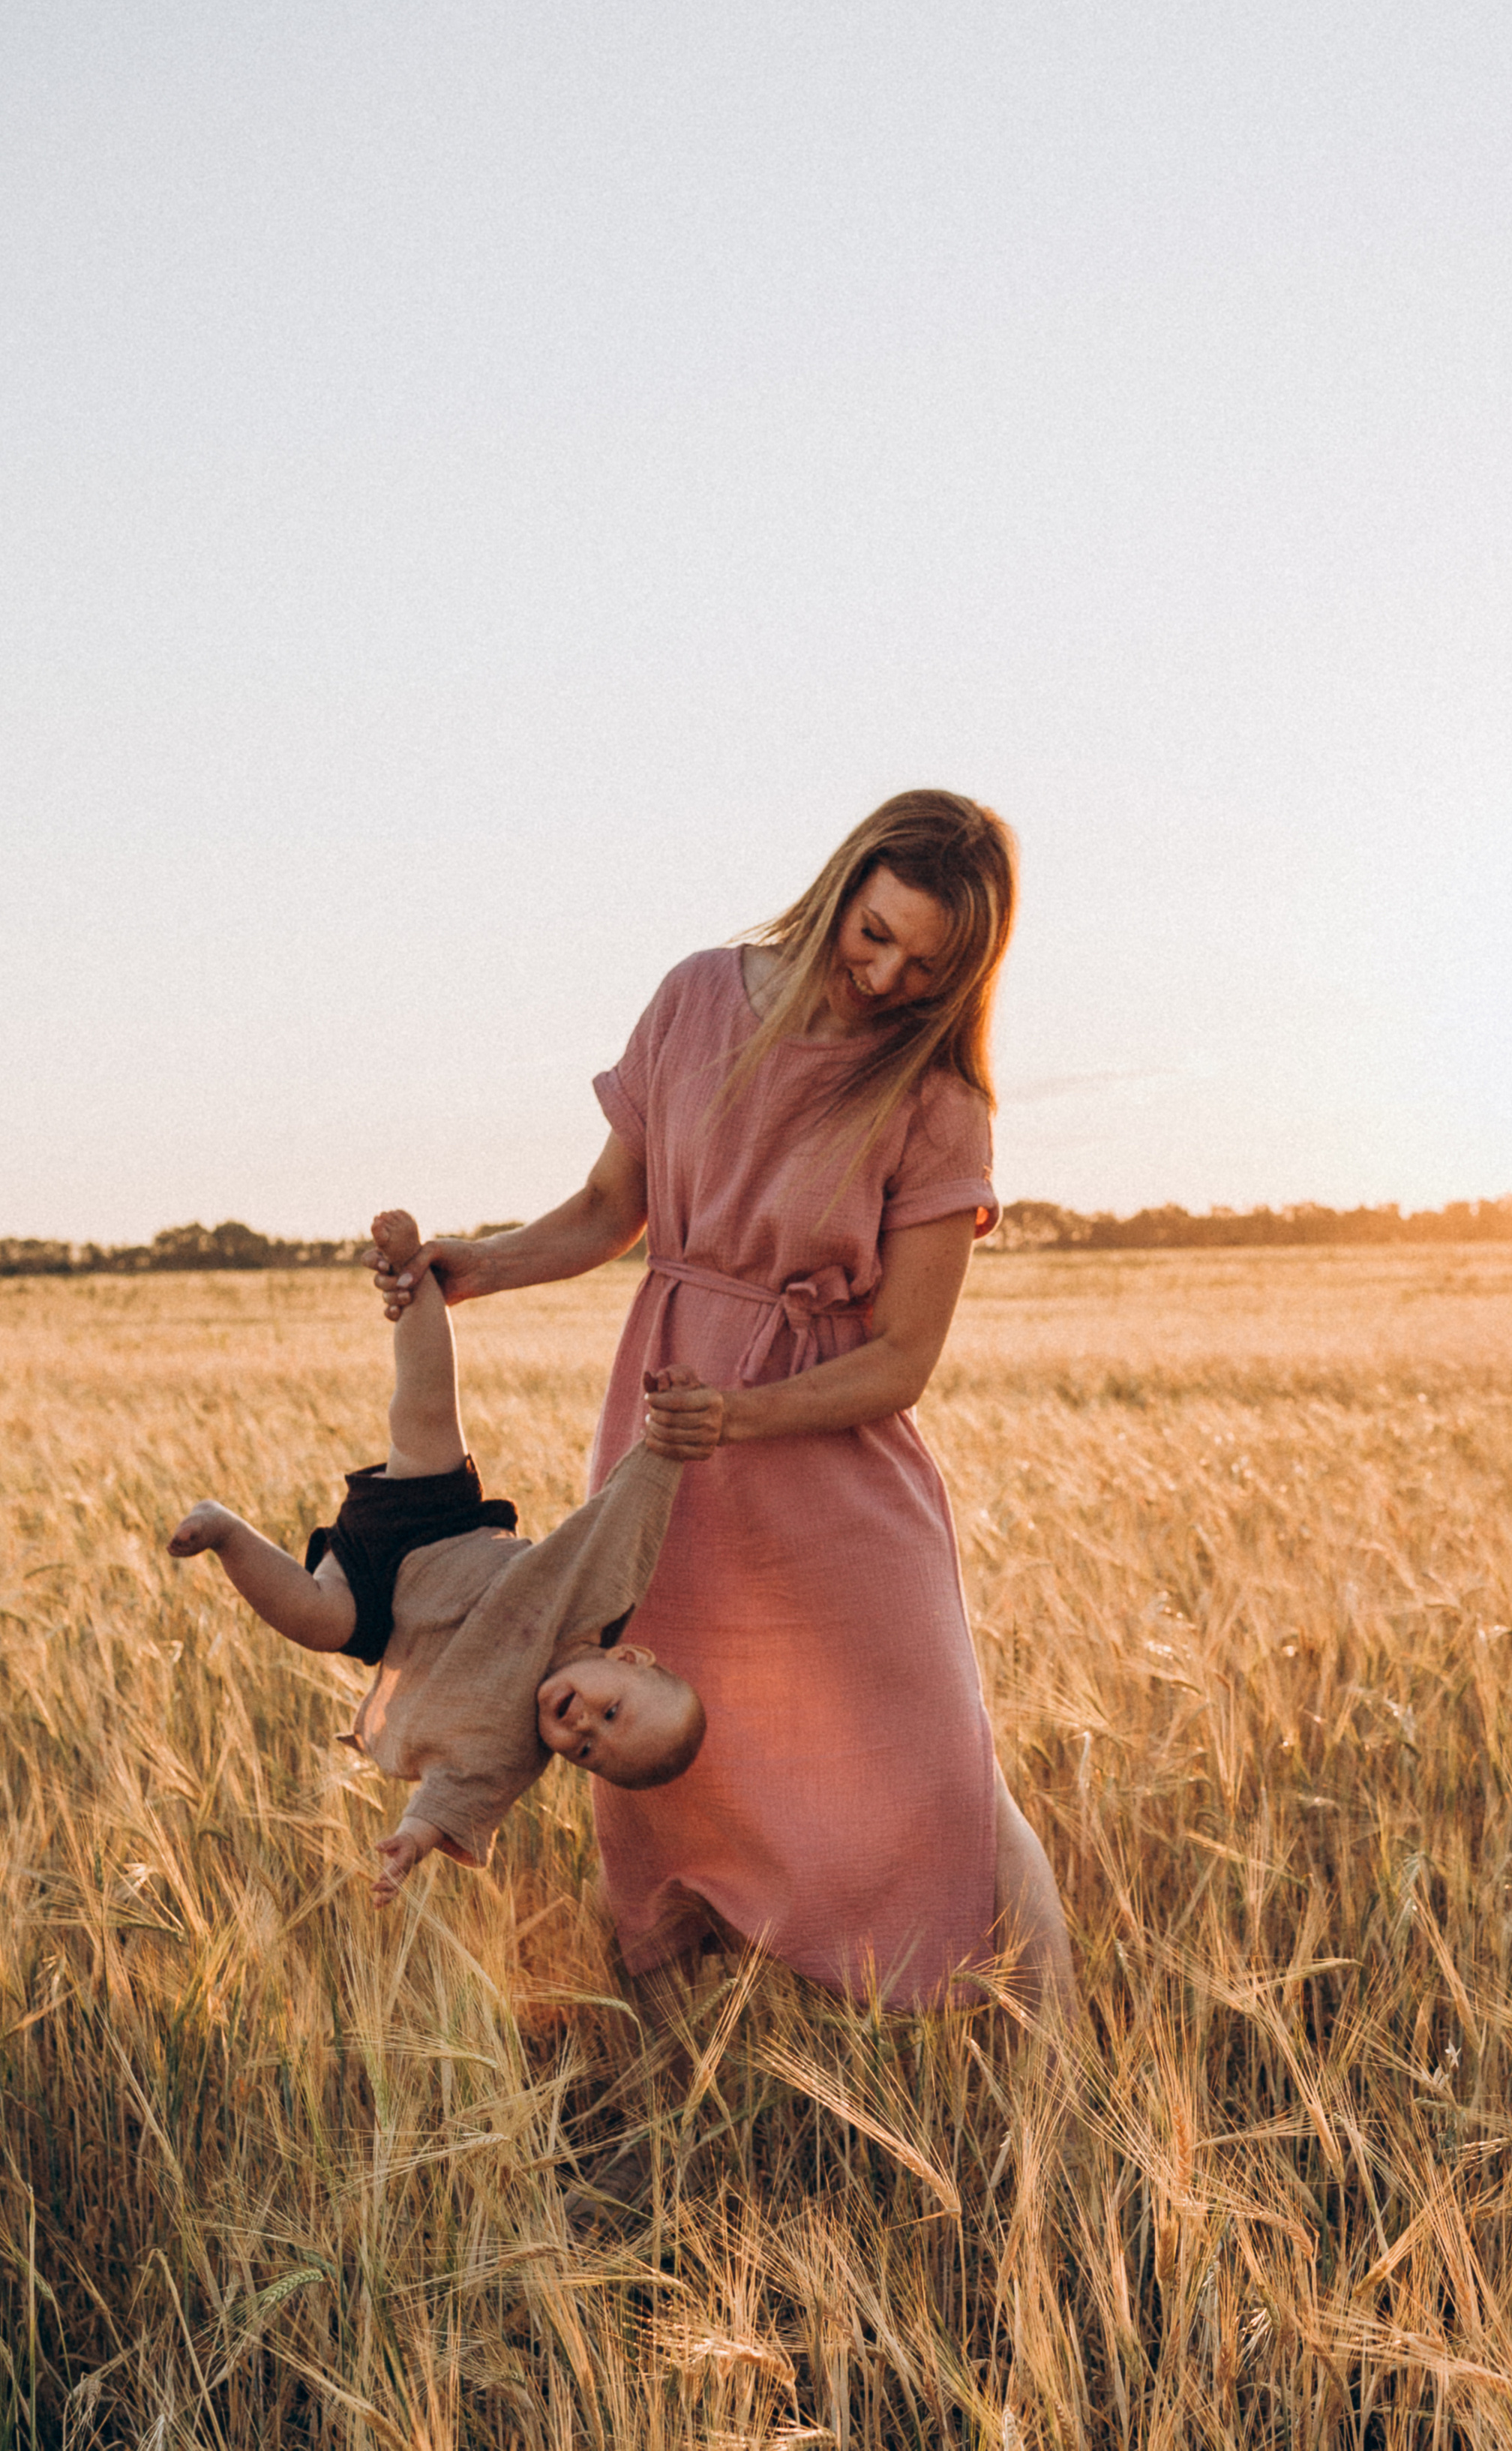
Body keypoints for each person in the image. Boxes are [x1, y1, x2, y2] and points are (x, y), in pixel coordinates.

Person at [374, 791, 1074, 2012]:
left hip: (825, 1465)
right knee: (657, 1774)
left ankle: (1058, 2057)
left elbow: (903, 1357)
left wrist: (741, 1417)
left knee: (939, 1771)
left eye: (927, 965)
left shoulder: (938, 1099)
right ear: (841, 886)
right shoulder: (698, 997)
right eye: (875, 934)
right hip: (663, 1459)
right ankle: (679, 2085)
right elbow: (609, 1211)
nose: (887, 975)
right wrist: (477, 1265)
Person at [169, 1209, 706, 1905]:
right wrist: (666, 1440)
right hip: (436, 1523)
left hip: (373, 1601)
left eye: (587, 1753)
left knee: (316, 1622)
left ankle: (224, 1530)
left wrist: (412, 1841)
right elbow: (629, 1520)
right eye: (611, 1714)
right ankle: (413, 1274)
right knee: (424, 1410)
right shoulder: (590, 1598)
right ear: (628, 1660)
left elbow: (457, 1793)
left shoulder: (513, 1750)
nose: (580, 1728)